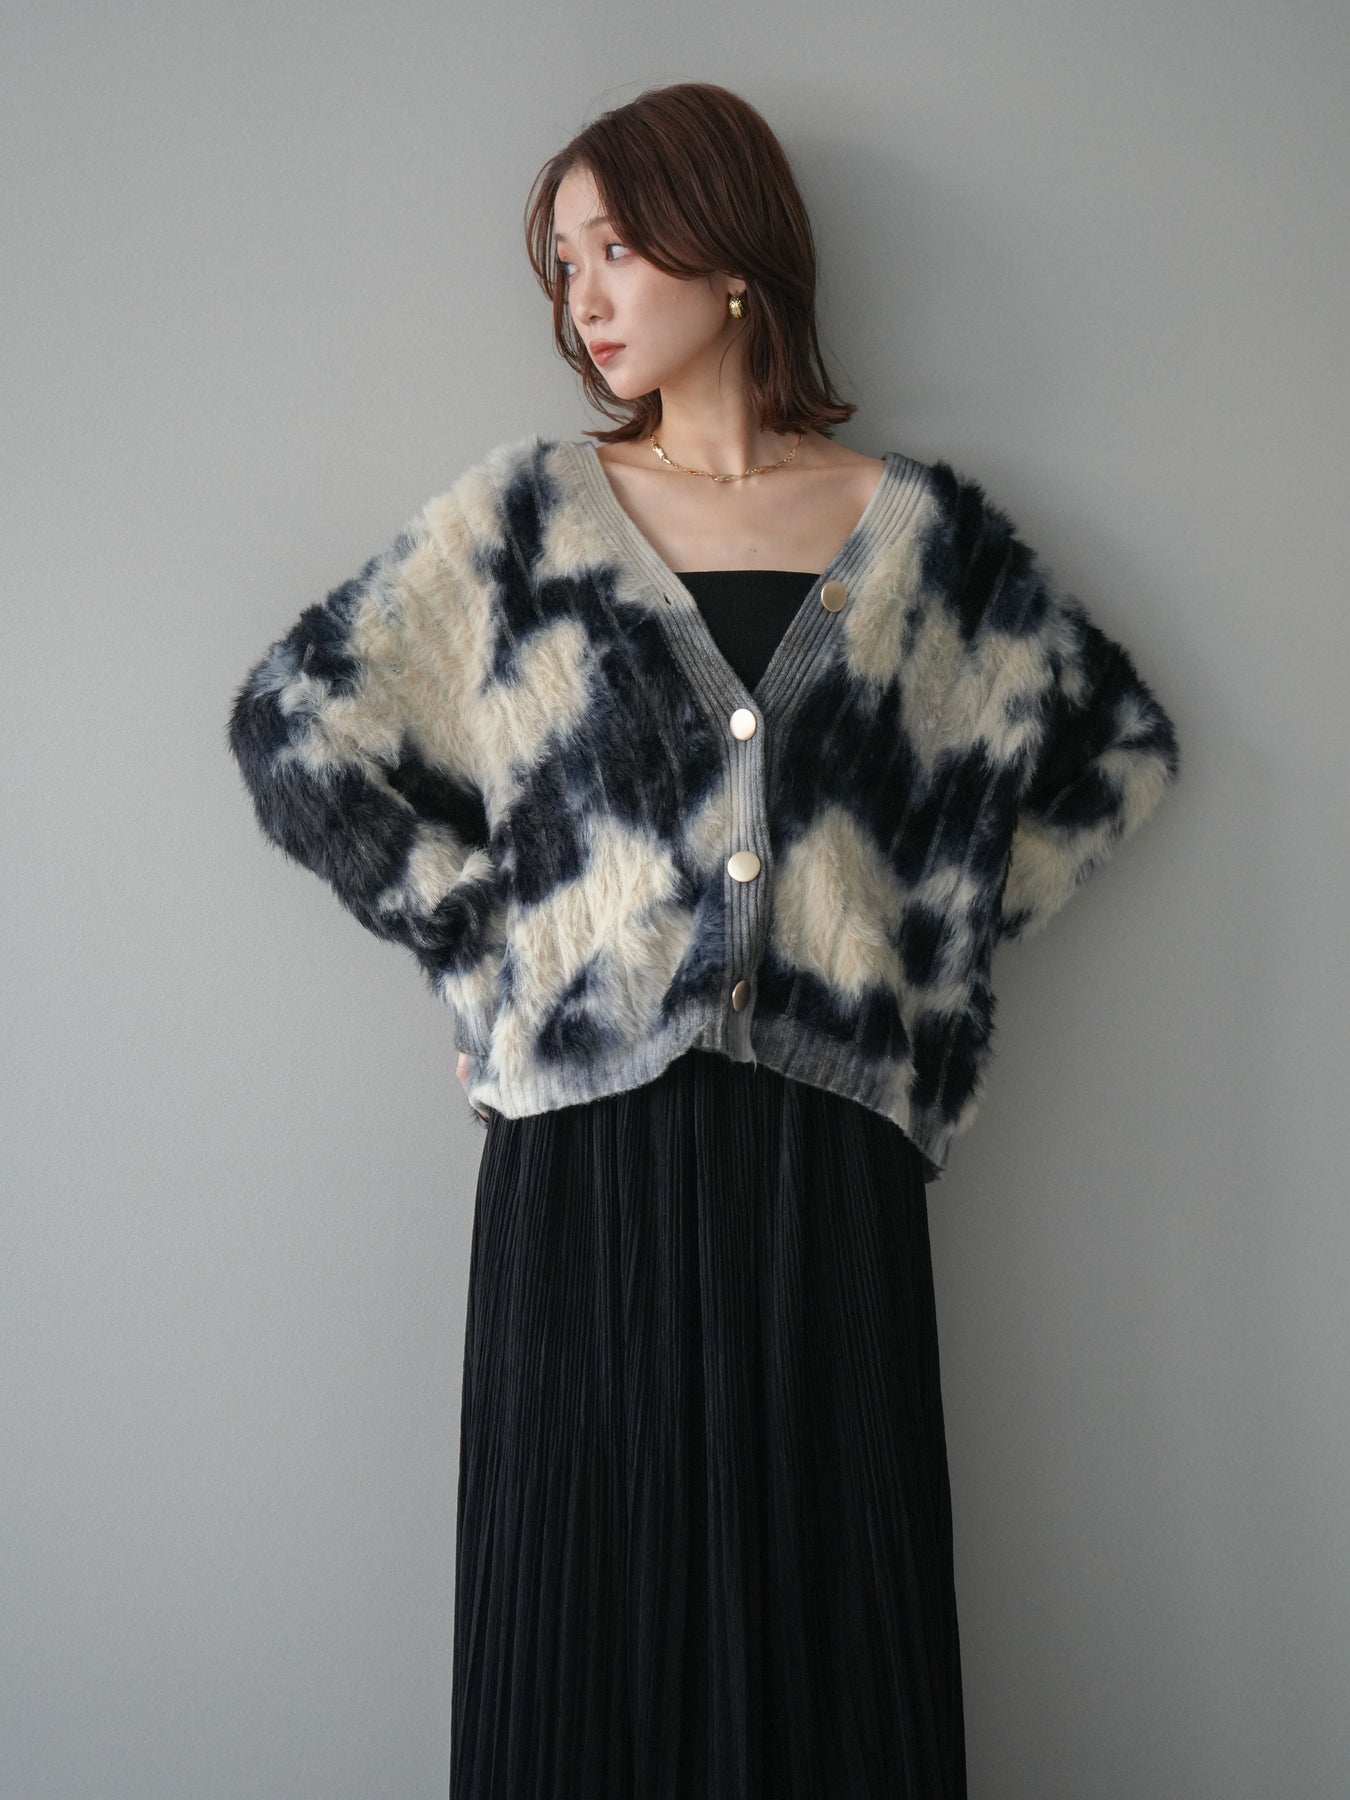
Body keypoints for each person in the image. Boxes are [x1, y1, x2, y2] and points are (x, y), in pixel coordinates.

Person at [228, 80, 1179, 1800]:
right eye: (563, 263)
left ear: (730, 254)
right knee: (585, 1638)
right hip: (582, 1172)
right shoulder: (521, 525)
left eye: (616, 247)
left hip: (830, 1175)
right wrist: (489, 958)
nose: (583, 296)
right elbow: (296, 729)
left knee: (832, 1643)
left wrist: (918, 983)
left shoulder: (920, 544)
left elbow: (1111, 757)